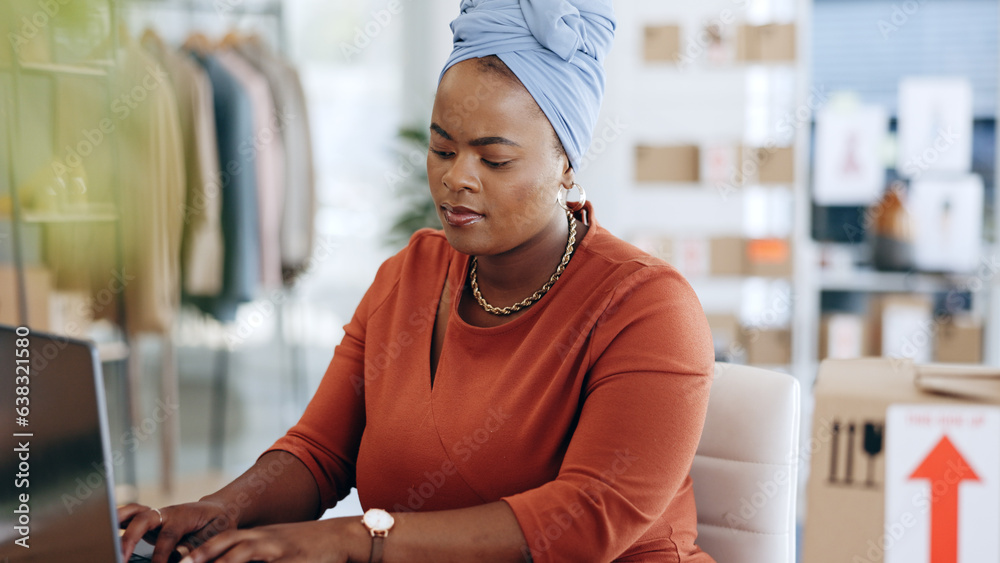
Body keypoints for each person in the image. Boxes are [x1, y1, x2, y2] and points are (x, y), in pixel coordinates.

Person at [118, 1, 716, 561]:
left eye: (494, 159)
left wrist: (360, 539)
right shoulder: (411, 274)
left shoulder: (648, 308)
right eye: (442, 148)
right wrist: (219, 510)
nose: (457, 178)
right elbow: (320, 451)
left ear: (565, 162)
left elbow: (587, 518)